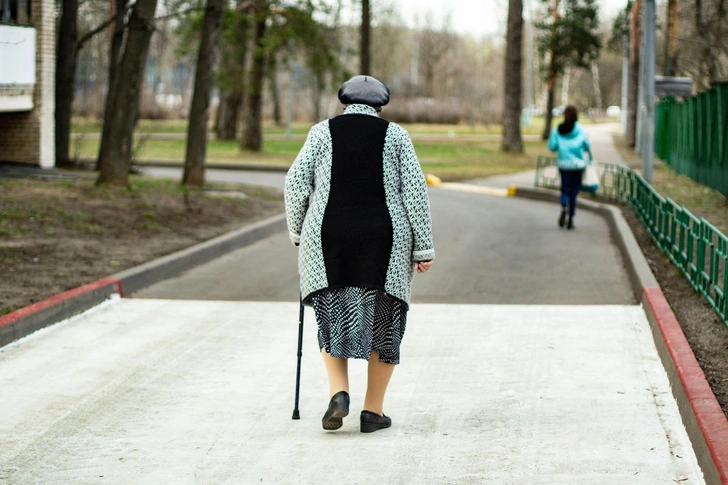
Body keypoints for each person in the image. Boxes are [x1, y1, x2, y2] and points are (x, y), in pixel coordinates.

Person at [284, 75, 435, 433]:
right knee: (384, 324)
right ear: (379, 105)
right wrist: (423, 246)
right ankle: (373, 411)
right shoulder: (395, 135)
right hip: (385, 242)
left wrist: (296, 230)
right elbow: (414, 191)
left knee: (333, 315)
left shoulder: (321, 132)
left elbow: (295, 181)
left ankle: (339, 392)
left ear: (344, 101)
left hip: (328, 238)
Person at [547, 105, 593, 230]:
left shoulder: (558, 130)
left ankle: (563, 206)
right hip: (578, 166)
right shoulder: (581, 130)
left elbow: (552, 146)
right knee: (574, 192)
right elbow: (588, 145)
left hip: (564, 165)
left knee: (565, 189)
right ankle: (571, 219)